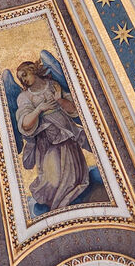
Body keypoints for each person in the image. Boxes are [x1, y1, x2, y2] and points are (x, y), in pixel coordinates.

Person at [9, 52, 105, 216]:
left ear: (33, 69)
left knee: (75, 179)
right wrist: (40, 109)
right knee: (53, 182)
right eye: (20, 79)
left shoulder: (54, 86)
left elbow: (74, 109)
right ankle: (57, 210)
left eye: (25, 74)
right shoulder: (24, 97)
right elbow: (24, 124)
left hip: (67, 137)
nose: (23, 80)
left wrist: (60, 100)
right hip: (47, 142)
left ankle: (71, 209)